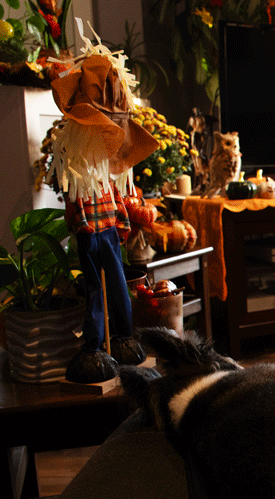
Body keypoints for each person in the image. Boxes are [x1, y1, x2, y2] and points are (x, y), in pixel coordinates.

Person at [48, 23, 158, 383]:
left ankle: (122, 337)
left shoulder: (107, 173)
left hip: (109, 232)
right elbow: (74, 203)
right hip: (90, 233)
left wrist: (123, 224)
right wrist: (82, 225)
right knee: (95, 290)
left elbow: (119, 203)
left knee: (118, 289)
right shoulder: (77, 170)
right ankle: (94, 346)